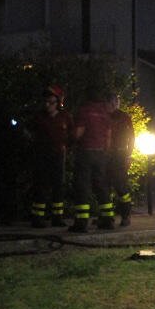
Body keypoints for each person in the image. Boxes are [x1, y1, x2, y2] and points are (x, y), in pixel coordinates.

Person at [27, 86, 73, 228]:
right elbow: (29, 132)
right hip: (41, 155)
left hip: (58, 155)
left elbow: (72, 134)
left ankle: (57, 217)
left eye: (51, 102)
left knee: (58, 186)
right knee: (41, 186)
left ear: (58, 103)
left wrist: (66, 146)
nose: (47, 105)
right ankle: (37, 218)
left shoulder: (65, 116)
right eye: (46, 102)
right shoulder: (38, 117)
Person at [68, 88, 113, 233]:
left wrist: (70, 140)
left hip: (85, 152)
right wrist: (105, 152)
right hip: (100, 153)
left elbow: (78, 133)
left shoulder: (84, 111)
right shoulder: (104, 112)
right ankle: (107, 220)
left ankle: (81, 223)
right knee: (101, 186)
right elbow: (108, 136)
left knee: (82, 186)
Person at [107, 96, 134, 227]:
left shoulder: (123, 117)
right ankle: (107, 217)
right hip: (108, 154)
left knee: (121, 186)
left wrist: (128, 155)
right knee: (106, 186)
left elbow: (131, 137)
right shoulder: (106, 116)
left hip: (119, 154)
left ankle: (125, 215)